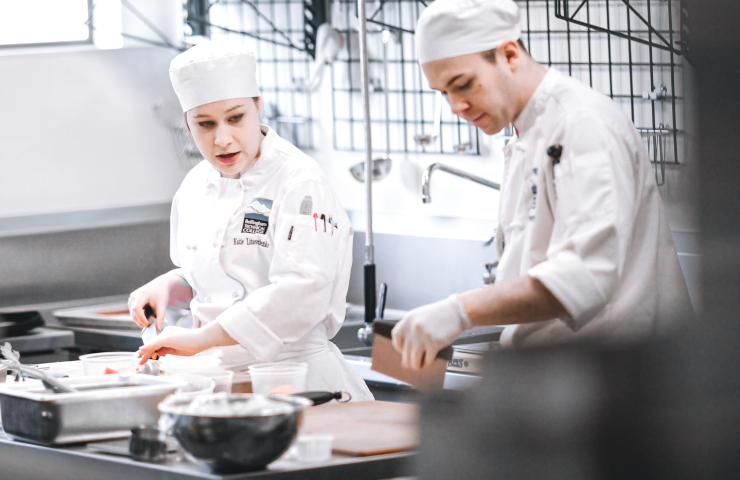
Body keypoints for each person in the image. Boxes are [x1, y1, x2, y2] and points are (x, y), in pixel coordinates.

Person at [391, 0, 694, 370]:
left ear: (508, 54)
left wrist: (460, 310)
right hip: (567, 375)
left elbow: (585, 274)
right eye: (443, 93)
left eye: (462, 84)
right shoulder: (525, 135)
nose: (456, 106)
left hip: (620, 377)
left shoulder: (582, 124)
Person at [130, 41, 373, 400]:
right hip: (218, 379)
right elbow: (218, 274)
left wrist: (200, 339)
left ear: (258, 107)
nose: (222, 139)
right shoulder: (196, 185)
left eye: (235, 118)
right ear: (187, 124)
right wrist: (169, 284)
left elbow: (302, 292)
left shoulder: (299, 181)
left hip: (299, 381)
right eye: (205, 124)